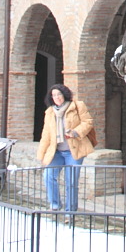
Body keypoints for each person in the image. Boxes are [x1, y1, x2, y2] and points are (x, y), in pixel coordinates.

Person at [37, 84, 95, 214]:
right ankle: (55, 204)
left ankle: (70, 211)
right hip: (56, 151)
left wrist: (75, 132)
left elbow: (88, 122)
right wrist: (41, 154)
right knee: (48, 175)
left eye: (59, 94)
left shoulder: (77, 106)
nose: (57, 97)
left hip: (74, 150)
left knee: (71, 181)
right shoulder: (50, 112)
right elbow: (46, 134)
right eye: (54, 95)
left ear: (64, 94)